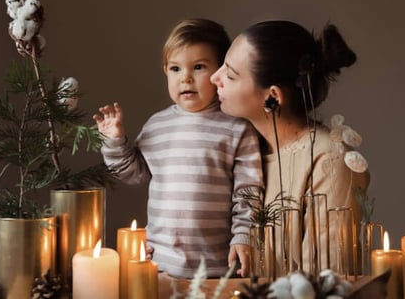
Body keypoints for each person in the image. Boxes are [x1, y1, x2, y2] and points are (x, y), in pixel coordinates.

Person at [94, 19, 263, 280]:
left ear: (219, 73)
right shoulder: (157, 125)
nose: (185, 77)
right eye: (175, 68)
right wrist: (115, 140)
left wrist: (243, 236)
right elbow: (133, 173)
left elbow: (248, 191)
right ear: (165, 71)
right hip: (160, 265)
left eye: (198, 67)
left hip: (217, 267)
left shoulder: (237, 128)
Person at [210, 20, 370, 274]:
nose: (213, 77)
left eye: (230, 75)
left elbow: (325, 278)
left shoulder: (329, 159)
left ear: (272, 96)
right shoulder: (239, 151)